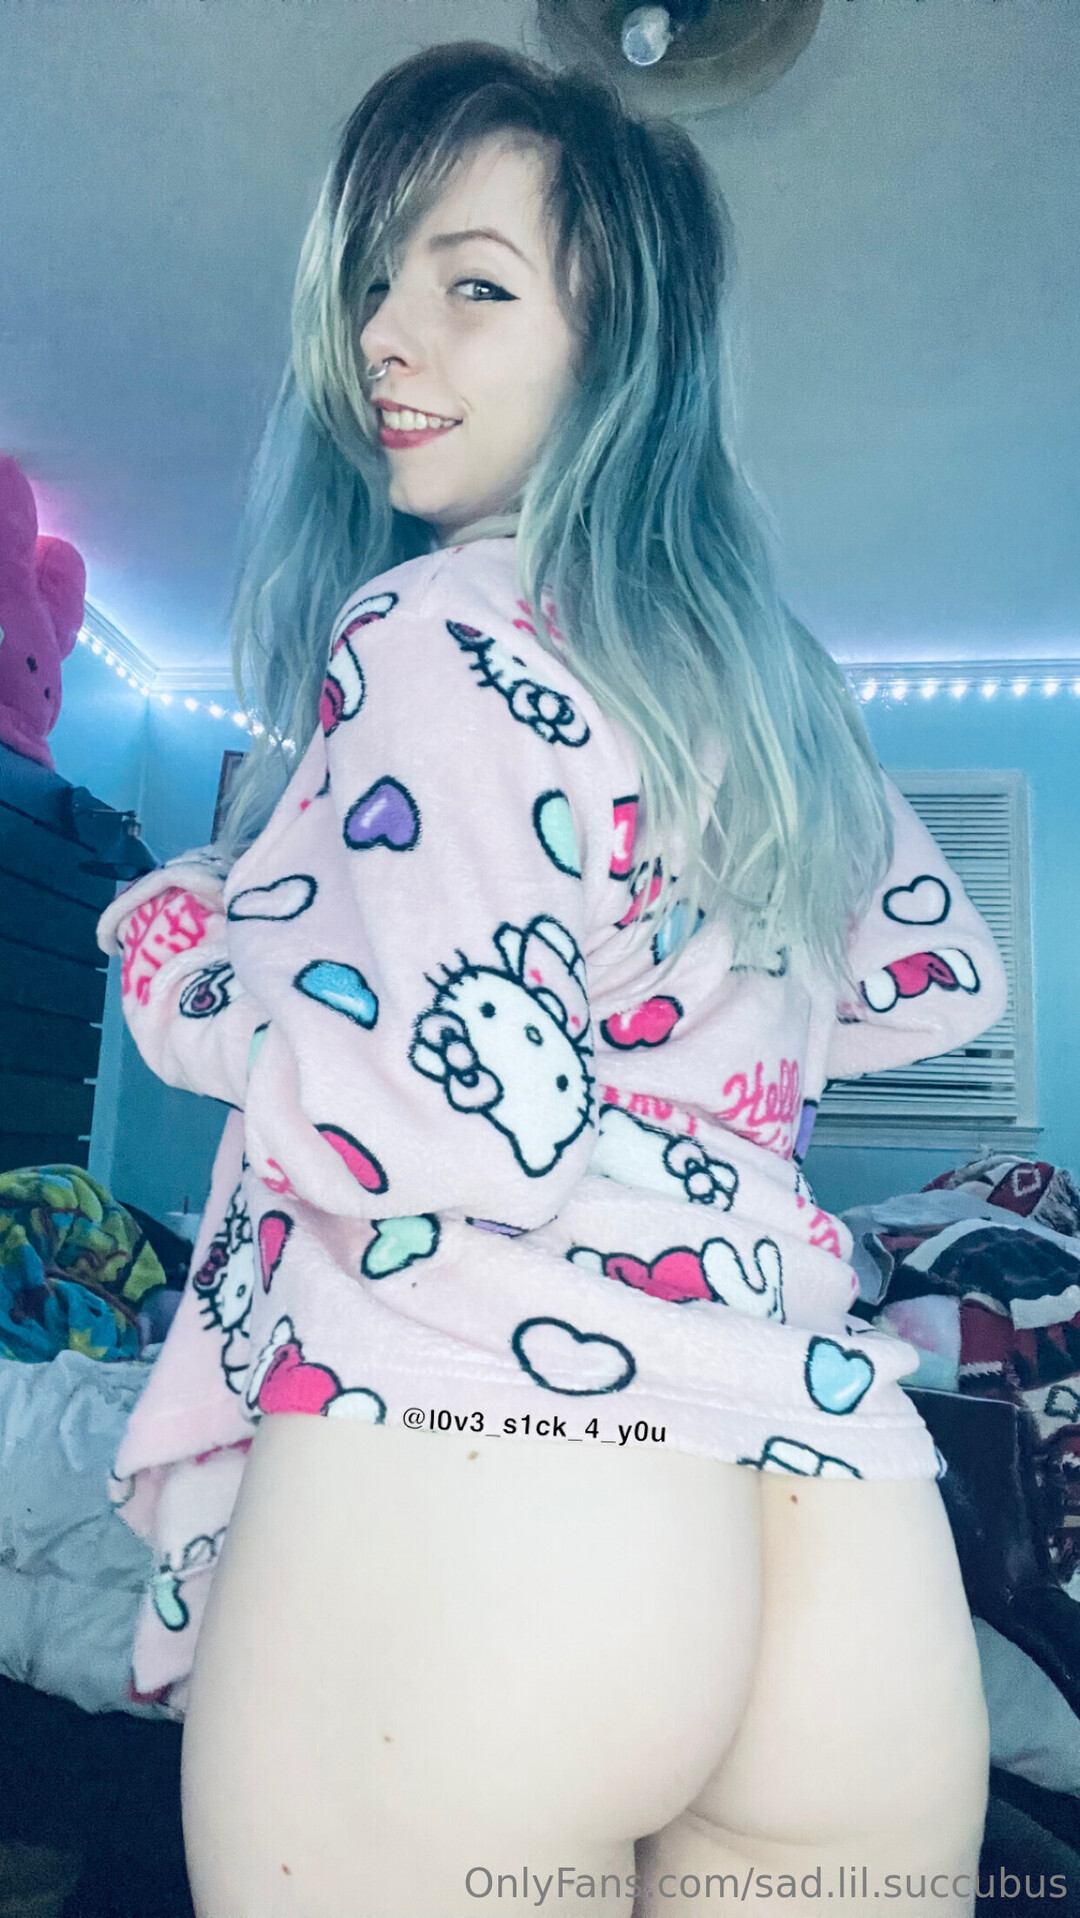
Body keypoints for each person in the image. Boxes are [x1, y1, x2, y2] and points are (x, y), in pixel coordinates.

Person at [96, 42, 1008, 1918]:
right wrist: (680, 1044)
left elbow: (432, 1127)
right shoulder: (764, 682)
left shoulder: (432, 625)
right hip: (831, 1508)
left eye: (475, 285)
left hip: (492, 1489)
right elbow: (933, 976)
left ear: (621, 355)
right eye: (377, 283)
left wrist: (186, 958)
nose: (386, 336)